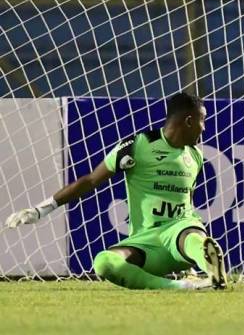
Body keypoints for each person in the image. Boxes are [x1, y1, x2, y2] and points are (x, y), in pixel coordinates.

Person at [5, 91, 227, 290]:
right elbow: (90, 180)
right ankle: (184, 286)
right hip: (146, 242)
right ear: (189, 121)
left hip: (180, 231)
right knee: (104, 262)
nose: (205, 128)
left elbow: (187, 201)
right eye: (202, 120)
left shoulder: (195, 155)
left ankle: (210, 269)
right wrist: (41, 209)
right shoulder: (138, 145)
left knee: (194, 238)